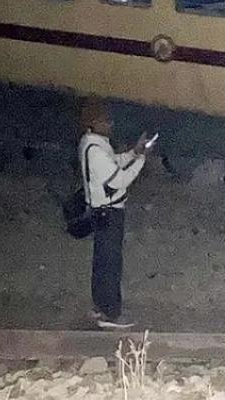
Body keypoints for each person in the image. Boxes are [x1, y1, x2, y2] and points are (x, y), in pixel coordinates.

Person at [78, 98, 149, 329]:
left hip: (100, 211)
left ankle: (101, 306)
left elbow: (113, 162)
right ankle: (112, 314)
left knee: (101, 262)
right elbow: (119, 180)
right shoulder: (97, 150)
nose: (111, 124)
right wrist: (141, 160)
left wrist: (133, 153)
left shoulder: (92, 144)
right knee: (111, 264)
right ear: (94, 123)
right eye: (106, 121)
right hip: (110, 213)